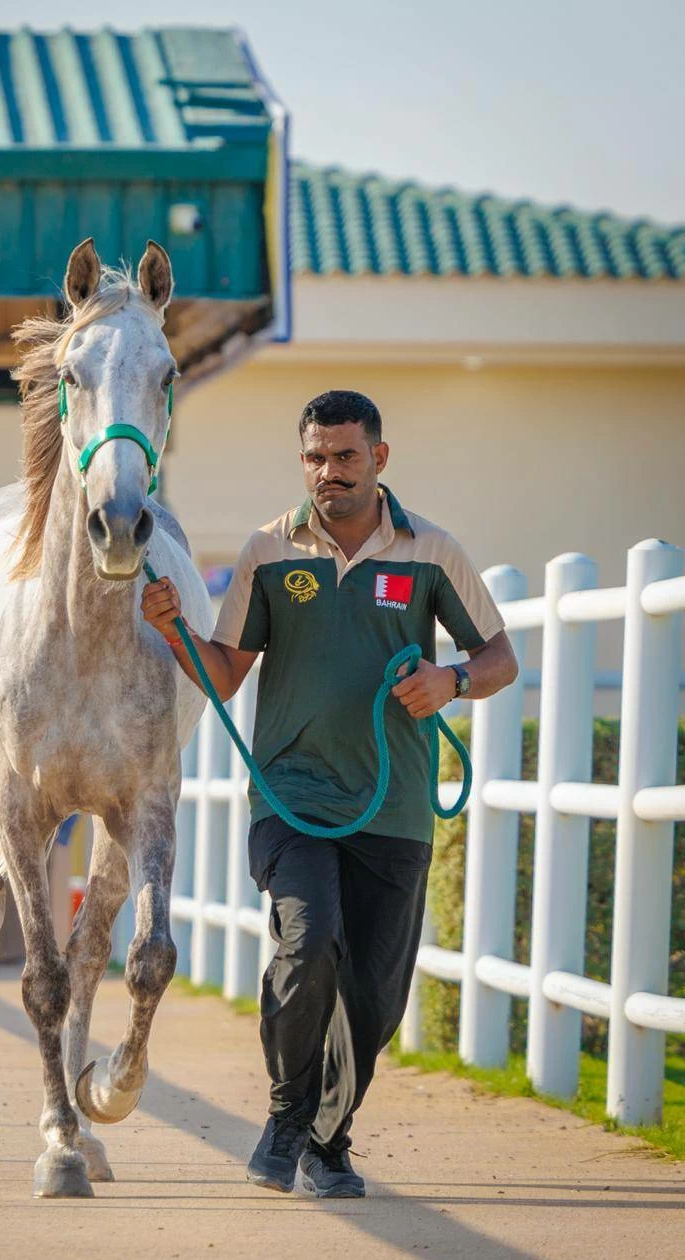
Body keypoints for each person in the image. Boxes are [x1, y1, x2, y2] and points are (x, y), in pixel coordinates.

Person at [141, 389, 517, 1198]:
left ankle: (327, 1139)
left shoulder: (432, 551)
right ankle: (286, 1116)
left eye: (345, 456)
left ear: (380, 458)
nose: (328, 472)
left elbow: (499, 657)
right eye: (315, 456)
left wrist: (450, 680)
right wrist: (174, 631)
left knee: (374, 999)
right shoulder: (269, 551)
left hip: (396, 804)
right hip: (292, 798)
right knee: (306, 945)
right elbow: (227, 672)